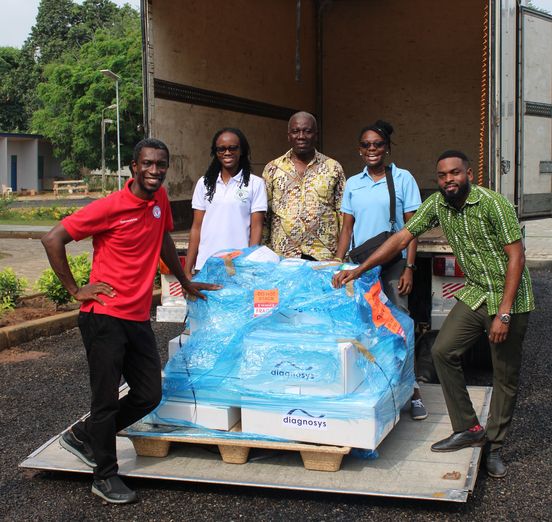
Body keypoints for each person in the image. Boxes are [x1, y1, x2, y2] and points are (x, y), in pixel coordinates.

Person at [332, 150, 534, 478]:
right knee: (443, 351)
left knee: (504, 375)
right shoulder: (438, 204)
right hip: (477, 291)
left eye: (455, 173)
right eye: (442, 176)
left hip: (510, 298)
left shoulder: (493, 203)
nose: (448, 180)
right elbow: (401, 237)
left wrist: (505, 314)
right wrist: (359, 269)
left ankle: (495, 446)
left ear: (468, 173)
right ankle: (468, 428)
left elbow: (517, 258)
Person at [41, 138, 220, 504]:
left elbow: (163, 239)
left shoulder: (160, 201)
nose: (155, 171)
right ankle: (104, 476)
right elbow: (52, 238)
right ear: (134, 167)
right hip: (104, 316)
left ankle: (85, 436)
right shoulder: (110, 206)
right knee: (105, 400)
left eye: (162, 165)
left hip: (137, 316)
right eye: (149, 164)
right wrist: (76, 289)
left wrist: (184, 281)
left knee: (148, 393)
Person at [334, 120, 427, 421]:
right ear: (359, 150)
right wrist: (338, 264)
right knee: (363, 326)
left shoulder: (402, 178)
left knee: (399, 325)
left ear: (387, 147)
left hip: (392, 265)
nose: (372, 149)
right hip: (361, 267)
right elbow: (347, 228)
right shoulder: (352, 183)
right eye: (366, 145)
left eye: (377, 144)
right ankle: (375, 387)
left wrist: (409, 268)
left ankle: (412, 391)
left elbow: (413, 228)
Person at [262, 111, 345, 260]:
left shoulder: (333, 167)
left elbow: (343, 214)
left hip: (323, 255)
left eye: (307, 131)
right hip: (283, 255)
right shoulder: (272, 168)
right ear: (288, 135)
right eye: (295, 131)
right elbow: (264, 214)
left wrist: (341, 256)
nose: (301, 136)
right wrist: (265, 252)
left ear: (316, 135)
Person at [185, 128, 267, 278]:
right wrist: (187, 269)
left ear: (241, 150)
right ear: (216, 153)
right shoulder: (204, 183)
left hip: (237, 266)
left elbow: (256, 227)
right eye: (221, 149)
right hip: (206, 264)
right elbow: (196, 228)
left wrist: (249, 263)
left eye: (232, 148)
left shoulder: (256, 184)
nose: (227, 153)